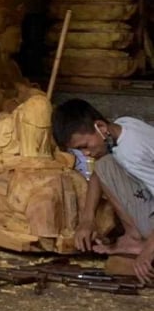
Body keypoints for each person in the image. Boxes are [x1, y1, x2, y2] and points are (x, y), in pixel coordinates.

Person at [52, 98, 154, 281]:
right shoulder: (124, 125)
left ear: (100, 126)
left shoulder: (130, 153)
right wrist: (87, 220)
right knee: (104, 164)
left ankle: (139, 240)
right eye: (79, 150)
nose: (86, 154)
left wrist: (147, 252)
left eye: (85, 146)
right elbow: (100, 173)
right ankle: (135, 237)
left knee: (117, 266)